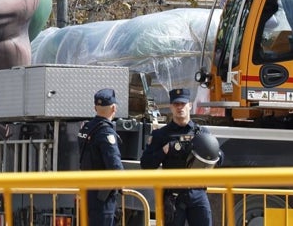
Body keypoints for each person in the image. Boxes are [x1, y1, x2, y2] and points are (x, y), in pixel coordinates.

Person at [140, 88, 214, 226]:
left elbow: (219, 158)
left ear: (190, 105)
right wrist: (165, 150)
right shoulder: (161, 135)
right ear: (171, 107)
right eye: (176, 104)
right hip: (173, 196)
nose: (180, 108)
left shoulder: (201, 133)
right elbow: (146, 164)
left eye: (183, 104)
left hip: (197, 193)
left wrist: (209, 153)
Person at [78, 87, 125, 226]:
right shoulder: (106, 132)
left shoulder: (86, 128)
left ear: (95, 108)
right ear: (114, 108)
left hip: (87, 192)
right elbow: (114, 164)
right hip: (102, 197)